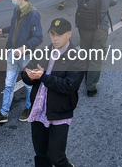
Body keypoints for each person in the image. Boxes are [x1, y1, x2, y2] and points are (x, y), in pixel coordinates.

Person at [21, 18, 85, 167]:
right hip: (39, 110)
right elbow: (25, 73)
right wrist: (28, 76)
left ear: (69, 34)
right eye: (52, 34)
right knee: (41, 154)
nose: (55, 38)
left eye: (59, 34)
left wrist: (43, 77)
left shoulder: (77, 58)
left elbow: (70, 86)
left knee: (56, 157)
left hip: (59, 114)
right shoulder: (43, 52)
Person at [0, 0, 43, 124]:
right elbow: (14, 28)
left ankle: (29, 108)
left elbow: (38, 37)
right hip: (13, 53)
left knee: (28, 85)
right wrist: (4, 30)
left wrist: (24, 48)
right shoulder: (17, 10)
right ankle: (4, 113)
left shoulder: (33, 14)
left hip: (26, 56)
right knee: (8, 84)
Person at [76, 0, 117, 96]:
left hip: (84, 28)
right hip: (100, 28)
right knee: (96, 58)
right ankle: (91, 87)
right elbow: (114, 2)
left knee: (86, 53)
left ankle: (86, 76)